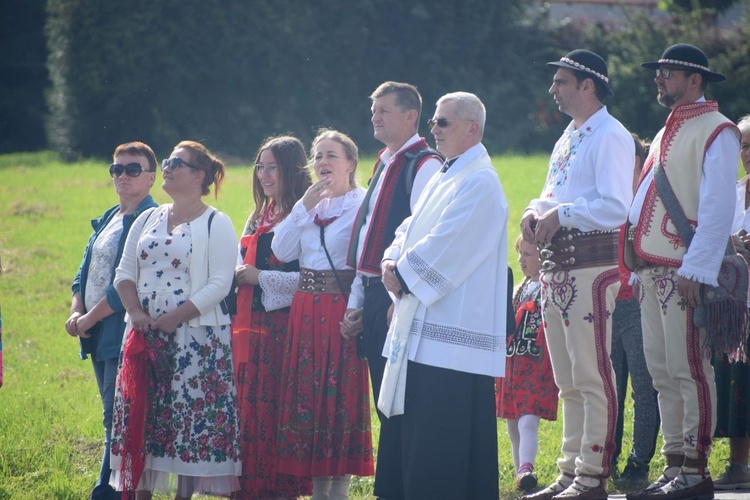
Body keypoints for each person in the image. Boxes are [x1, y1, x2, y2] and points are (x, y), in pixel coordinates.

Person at [379, 91, 508, 499]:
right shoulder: (446, 174)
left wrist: (401, 274)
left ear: (472, 128)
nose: (433, 129)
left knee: (444, 447)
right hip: (422, 327)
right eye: (434, 121)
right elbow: (409, 228)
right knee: (418, 440)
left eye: (442, 122)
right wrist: (390, 260)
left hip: (452, 337)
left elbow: (449, 244)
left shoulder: (481, 181)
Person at [625, 43, 741, 500]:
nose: (659, 78)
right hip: (654, 271)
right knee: (662, 370)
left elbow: (716, 208)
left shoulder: (718, 130)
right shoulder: (666, 130)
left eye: (667, 72)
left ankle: (696, 468)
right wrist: (635, 260)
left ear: (694, 80)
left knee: (690, 368)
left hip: (683, 269)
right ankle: (676, 464)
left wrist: (698, 268)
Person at [521, 49, 634, 500]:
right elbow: (551, 193)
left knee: (591, 374)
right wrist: (533, 211)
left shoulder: (610, 135)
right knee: (567, 378)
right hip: (559, 268)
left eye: (561, 81)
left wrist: (562, 214)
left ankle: (592, 474)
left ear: (588, 85)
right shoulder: (569, 135)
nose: (553, 89)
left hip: (592, 267)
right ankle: (570, 472)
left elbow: (615, 206)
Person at [109, 141, 240, 499]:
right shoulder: (148, 218)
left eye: (175, 163)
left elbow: (220, 283)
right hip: (142, 336)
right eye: (166, 161)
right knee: (144, 418)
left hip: (196, 340)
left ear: (198, 176)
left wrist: (175, 318)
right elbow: (124, 273)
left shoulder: (217, 222)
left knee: (187, 422)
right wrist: (136, 313)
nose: (166, 167)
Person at [340, 81, 442, 499]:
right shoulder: (385, 162)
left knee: (401, 395)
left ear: (410, 117)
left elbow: (423, 236)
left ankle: (406, 485)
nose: (374, 117)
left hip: (399, 291)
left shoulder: (423, 164)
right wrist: (357, 302)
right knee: (385, 394)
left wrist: (401, 297)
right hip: (374, 288)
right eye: (373, 109)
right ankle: (393, 485)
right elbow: (368, 235)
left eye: (384, 110)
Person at [272, 129, 374, 499]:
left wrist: (357, 308)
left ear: (350, 162)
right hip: (305, 307)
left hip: (340, 309)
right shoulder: (308, 206)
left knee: (339, 396)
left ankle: (338, 491)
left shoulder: (363, 203)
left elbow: (365, 262)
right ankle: (318, 490)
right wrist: (302, 209)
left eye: (331, 155)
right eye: (317, 157)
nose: (322, 163)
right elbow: (282, 252)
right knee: (308, 397)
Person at [64, 142, 158, 500]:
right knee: (114, 415)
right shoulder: (109, 217)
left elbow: (127, 284)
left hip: (122, 332)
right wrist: (76, 311)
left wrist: (88, 316)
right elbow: (83, 273)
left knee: (116, 416)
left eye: (132, 169)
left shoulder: (150, 219)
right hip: (97, 330)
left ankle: (108, 492)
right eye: (116, 169)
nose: (122, 175)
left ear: (151, 177)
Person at [231, 136, 313, 499]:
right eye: (260, 166)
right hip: (247, 327)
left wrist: (258, 277)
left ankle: (274, 489)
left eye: (273, 167)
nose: (264, 174)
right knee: (247, 410)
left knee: (272, 411)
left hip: (281, 329)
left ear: (291, 170)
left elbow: (313, 280)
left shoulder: (303, 215)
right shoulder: (257, 213)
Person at [610, 135, 660, 492]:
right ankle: (604, 458)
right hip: (606, 303)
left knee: (644, 388)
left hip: (639, 304)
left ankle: (638, 463)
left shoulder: (647, 199)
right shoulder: (605, 198)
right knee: (608, 388)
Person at [498, 236, 559, 492]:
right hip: (512, 362)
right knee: (513, 423)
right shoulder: (519, 288)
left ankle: (526, 466)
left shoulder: (548, 286)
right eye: (520, 254)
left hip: (535, 362)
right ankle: (521, 474)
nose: (522, 260)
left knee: (528, 419)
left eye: (528, 255)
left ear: (543, 257)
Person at [711, 114, 750, 491]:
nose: (748, 153)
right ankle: (738, 463)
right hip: (734, 304)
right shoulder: (734, 192)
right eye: (743, 146)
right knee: (736, 384)